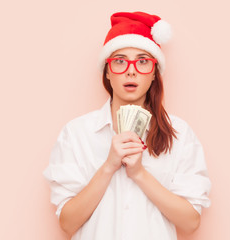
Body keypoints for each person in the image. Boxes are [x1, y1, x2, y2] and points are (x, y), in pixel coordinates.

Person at [43, 11, 211, 240]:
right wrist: (109, 166)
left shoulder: (180, 134)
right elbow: (67, 223)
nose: (131, 70)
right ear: (108, 72)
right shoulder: (76, 133)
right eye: (120, 61)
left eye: (143, 61)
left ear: (154, 73)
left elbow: (191, 222)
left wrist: (140, 174)